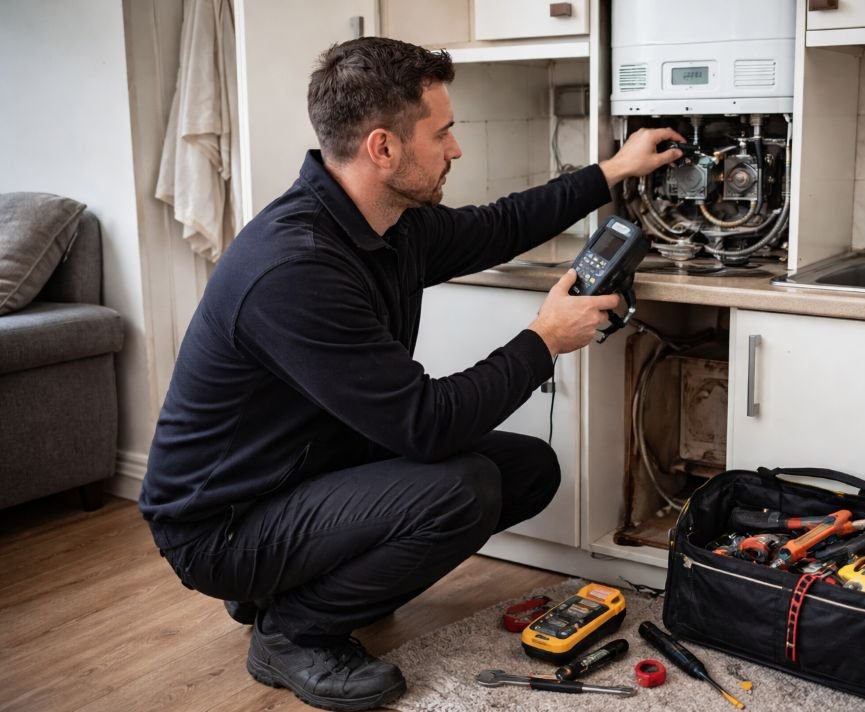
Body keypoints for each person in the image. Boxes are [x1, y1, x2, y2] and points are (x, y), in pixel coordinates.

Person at [139, 36, 684, 712]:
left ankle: (281, 586)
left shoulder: (387, 224)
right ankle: (291, 631)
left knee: (526, 471)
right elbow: (425, 426)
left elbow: (501, 225)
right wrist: (544, 340)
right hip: (222, 524)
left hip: (302, 472)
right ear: (383, 148)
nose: (456, 148)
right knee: (459, 491)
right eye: (442, 132)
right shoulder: (296, 268)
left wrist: (614, 169)